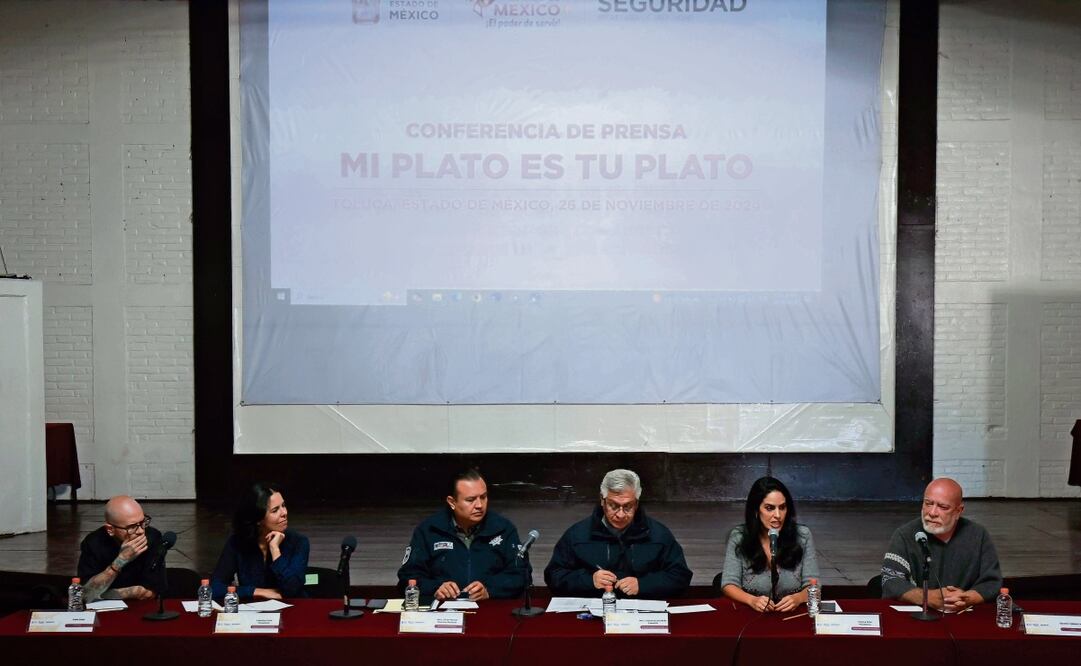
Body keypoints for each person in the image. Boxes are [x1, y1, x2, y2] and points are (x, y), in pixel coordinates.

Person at [544, 469, 692, 599]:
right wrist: (589, 581)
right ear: (602, 501)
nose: (621, 514)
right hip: (594, 610)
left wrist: (643, 584)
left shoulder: (659, 535)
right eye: (613, 506)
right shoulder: (577, 535)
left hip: (642, 610)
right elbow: (554, 576)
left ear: (637, 503)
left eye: (628, 506)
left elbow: (680, 577)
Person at [397, 468, 529, 601]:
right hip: (443, 608)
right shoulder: (429, 530)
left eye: (483, 497)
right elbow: (408, 577)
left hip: (489, 606)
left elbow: (521, 575)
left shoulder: (503, 529)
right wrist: (436, 588)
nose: (479, 505)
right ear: (452, 502)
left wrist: (489, 589)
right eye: (471, 500)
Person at [881, 477, 1002, 612]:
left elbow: (992, 583)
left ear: (958, 511)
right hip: (919, 616)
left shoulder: (978, 535)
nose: (932, 513)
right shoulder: (905, 535)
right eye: (928, 504)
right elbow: (890, 581)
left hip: (964, 616)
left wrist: (966, 598)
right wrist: (928, 597)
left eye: (943, 507)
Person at [719, 476, 819, 613]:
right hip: (752, 614)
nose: (778, 515)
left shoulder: (803, 535)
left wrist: (798, 598)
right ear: (756, 510)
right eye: (769, 508)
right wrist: (751, 600)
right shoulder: (739, 536)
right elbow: (728, 585)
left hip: (791, 614)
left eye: (782, 507)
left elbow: (814, 586)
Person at [211, 482, 309, 601]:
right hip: (252, 610)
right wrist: (257, 592)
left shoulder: (299, 542)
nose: (284, 513)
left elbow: (292, 589)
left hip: (291, 609)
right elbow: (214, 588)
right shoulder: (238, 542)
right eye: (275, 510)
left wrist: (275, 549)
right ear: (258, 519)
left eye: (283, 505)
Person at [77, 495, 165, 602]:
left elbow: (149, 593)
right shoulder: (93, 543)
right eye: (132, 527)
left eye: (143, 522)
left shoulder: (152, 537)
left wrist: (102, 594)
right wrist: (121, 560)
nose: (141, 531)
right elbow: (86, 594)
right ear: (110, 529)